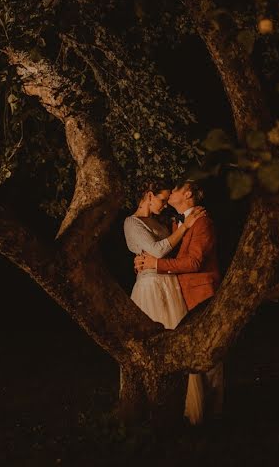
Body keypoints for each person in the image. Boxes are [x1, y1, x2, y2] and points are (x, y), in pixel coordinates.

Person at [134, 180, 223, 424]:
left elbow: (194, 263)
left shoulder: (203, 222)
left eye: (175, 190)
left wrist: (156, 265)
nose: (170, 193)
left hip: (200, 293)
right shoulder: (175, 223)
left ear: (188, 194)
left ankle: (214, 413)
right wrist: (145, 263)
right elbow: (164, 251)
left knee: (209, 351)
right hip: (176, 294)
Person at [124, 182, 205, 329]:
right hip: (151, 285)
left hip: (171, 282)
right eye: (163, 200)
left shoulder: (159, 222)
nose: (166, 205)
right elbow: (158, 251)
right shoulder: (132, 222)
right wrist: (185, 226)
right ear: (150, 196)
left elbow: (172, 252)